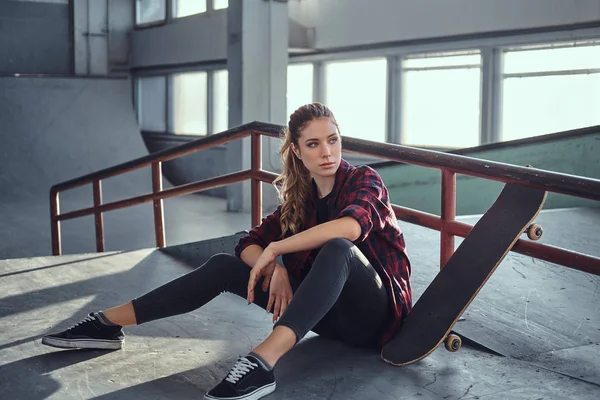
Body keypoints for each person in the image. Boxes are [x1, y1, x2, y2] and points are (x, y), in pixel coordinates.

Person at [41, 102, 413, 400]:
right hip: (329, 321)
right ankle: (108, 324)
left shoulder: (364, 179)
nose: (326, 152)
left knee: (338, 248)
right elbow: (247, 243)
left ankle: (261, 364)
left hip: (375, 320)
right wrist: (275, 269)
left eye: (332, 140)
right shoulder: (299, 201)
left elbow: (351, 227)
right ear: (298, 152)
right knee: (222, 265)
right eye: (313, 144)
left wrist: (277, 250)